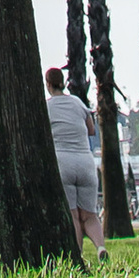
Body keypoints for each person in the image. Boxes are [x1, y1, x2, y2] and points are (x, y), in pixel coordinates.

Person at [45, 67, 103, 256]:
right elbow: (91, 130)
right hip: (85, 161)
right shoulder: (77, 103)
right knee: (90, 214)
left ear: (47, 84)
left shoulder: (47, 106)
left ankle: (78, 256)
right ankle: (100, 247)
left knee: (74, 216)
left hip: (63, 162)